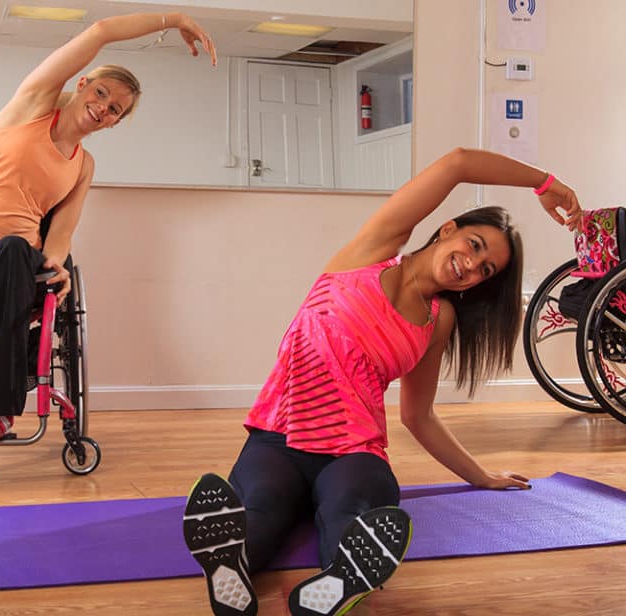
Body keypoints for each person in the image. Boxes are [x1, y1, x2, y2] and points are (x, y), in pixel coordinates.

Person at [182, 147, 582, 616]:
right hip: (278, 435)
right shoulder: (370, 252)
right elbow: (457, 164)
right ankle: (230, 565)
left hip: (354, 448)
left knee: (353, 506)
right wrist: (545, 182)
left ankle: (336, 585)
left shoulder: (440, 319)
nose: (471, 267)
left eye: (485, 270)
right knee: (264, 505)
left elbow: (418, 414)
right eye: (475, 246)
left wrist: (482, 476)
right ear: (449, 229)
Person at [0, 13, 216, 443]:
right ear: (84, 82)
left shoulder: (83, 166)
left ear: (115, 122)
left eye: (115, 110)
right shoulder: (31, 107)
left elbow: (63, 229)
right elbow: (100, 32)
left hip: (13, 255)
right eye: (102, 94)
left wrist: (56, 263)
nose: (103, 108)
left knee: (17, 249)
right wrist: (174, 18)